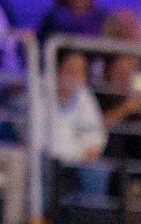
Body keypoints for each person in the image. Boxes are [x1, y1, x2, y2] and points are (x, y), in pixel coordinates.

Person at [43, 49, 109, 202]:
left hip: (78, 160)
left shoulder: (84, 96)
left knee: (98, 171)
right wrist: (76, 155)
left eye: (80, 72)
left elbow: (94, 136)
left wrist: (84, 154)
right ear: (58, 70)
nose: (75, 77)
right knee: (45, 168)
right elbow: (42, 142)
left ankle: (88, 221)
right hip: (48, 159)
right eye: (71, 70)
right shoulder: (39, 93)